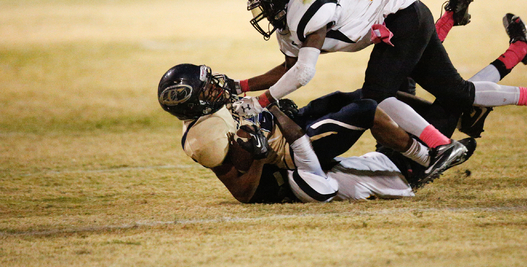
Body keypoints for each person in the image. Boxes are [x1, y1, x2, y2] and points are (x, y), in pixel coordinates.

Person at [231, 0, 527, 165]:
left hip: (401, 19)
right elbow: (290, 68)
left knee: (376, 95)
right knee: (456, 93)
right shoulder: (291, 25)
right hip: (402, 23)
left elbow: (305, 72)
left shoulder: (304, 6)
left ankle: (439, 148)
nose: (261, 14)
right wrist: (241, 86)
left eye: (263, 5)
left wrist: (263, 101)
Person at [157, 64, 476, 204]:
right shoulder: (205, 138)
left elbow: (257, 121)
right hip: (289, 158)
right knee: (364, 109)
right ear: (191, 104)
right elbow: (243, 191)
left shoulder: (210, 112)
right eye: (206, 89)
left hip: (282, 137)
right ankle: (428, 156)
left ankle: (437, 126)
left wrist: (271, 109)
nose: (214, 88)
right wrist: (258, 155)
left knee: (353, 96)